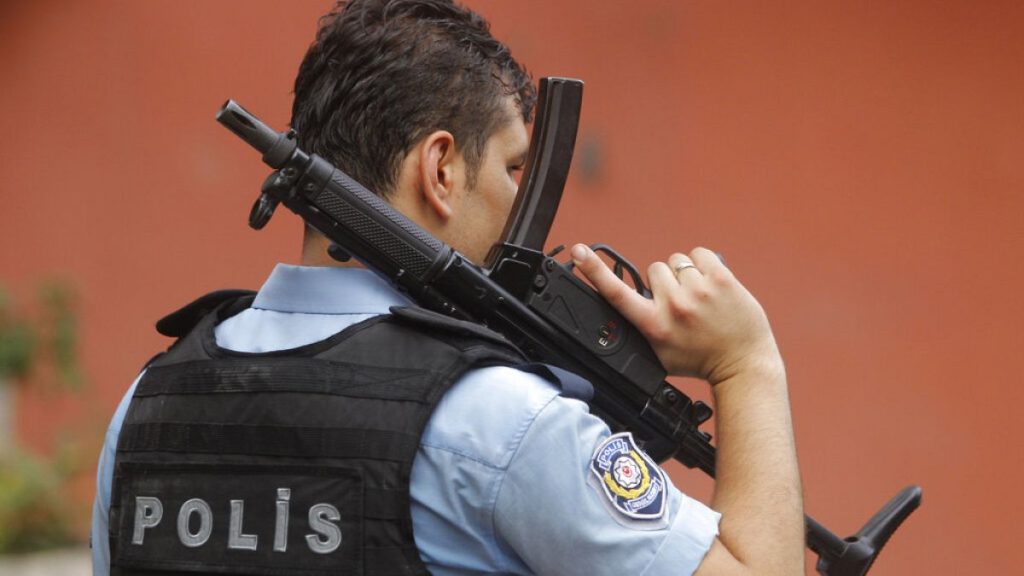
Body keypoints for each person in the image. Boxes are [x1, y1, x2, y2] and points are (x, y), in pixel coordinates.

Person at [92, 0, 804, 574]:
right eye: (512, 170)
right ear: (441, 170)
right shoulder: (497, 421)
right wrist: (747, 365)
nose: (517, 202)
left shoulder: (146, 408)